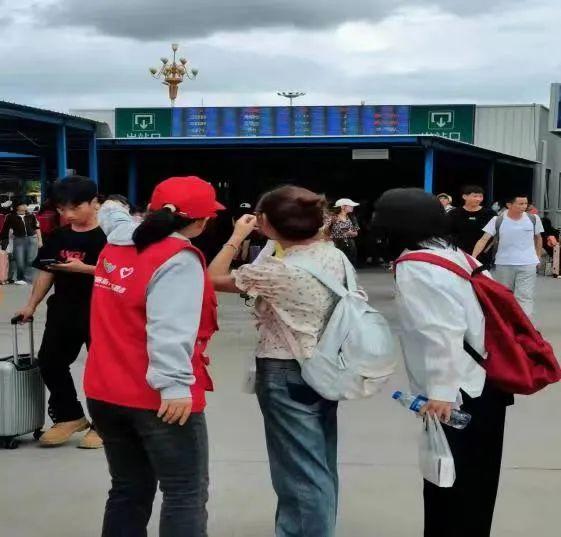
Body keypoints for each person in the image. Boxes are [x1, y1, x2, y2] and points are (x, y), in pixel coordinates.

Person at [85, 176, 228, 536]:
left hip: (104, 390)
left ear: (150, 209)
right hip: (157, 398)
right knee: (184, 492)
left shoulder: (117, 242)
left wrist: (114, 206)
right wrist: (175, 385)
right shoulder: (178, 258)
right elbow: (169, 328)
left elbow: (111, 213)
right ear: (202, 222)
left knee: (128, 489)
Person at [209, 185, 346, 537]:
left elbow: (212, 277)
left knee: (298, 471)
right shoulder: (331, 255)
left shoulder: (274, 271)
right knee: (319, 461)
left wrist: (236, 237)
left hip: (285, 369)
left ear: (266, 223)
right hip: (324, 364)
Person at [374, 188, 512, 537]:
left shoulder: (416, 266)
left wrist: (440, 393)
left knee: (449, 487)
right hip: (485, 381)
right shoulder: (453, 254)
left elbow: (440, 333)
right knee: (478, 483)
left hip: (459, 392)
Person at [16, 176, 106, 449]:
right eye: (61, 209)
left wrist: (86, 269)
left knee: (102, 369)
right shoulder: (58, 236)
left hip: (103, 312)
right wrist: (31, 305)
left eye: (75, 207)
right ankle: (70, 416)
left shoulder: (112, 236)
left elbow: (125, 274)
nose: (67, 214)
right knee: (50, 361)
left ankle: (105, 425)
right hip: (64, 310)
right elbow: (46, 272)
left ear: (94, 202)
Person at [473, 195, 544, 319]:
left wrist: (538, 256)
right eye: (520, 204)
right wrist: (473, 258)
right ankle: (505, 323)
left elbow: (538, 238)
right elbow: (483, 239)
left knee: (525, 296)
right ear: (509, 205)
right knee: (504, 295)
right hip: (504, 264)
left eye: (525, 204)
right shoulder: (497, 220)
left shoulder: (533, 219)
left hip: (528, 264)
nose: (524, 206)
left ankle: (524, 324)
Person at [448, 185, 496, 266]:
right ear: (464, 197)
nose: (478, 199)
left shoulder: (490, 214)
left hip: (484, 255)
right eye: (475, 196)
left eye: (480, 196)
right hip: (459, 254)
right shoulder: (454, 213)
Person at [0, 200, 42, 285]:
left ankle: (27, 279)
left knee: (30, 260)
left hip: (32, 239)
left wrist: (40, 240)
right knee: (19, 261)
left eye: (25, 204)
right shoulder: (10, 217)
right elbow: (5, 230)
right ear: (17, 207)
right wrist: (2, 240)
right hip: (19, 240)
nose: (25, 206)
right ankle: (20, 278)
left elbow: (37, 228)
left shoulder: (31, 215)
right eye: (23, 204)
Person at [329, 197, 360, 265]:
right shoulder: (333, 218)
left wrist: (350, 233)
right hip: (336, 244)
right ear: (342, 207)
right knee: (338, 264)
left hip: (350, 245)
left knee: (350, 264)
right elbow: (326, 231)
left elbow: (356, 233)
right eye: (350, 206)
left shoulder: (352, 217)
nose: (352, 207)